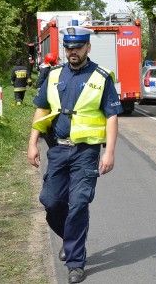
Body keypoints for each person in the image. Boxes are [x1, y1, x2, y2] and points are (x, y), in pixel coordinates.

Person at [27, 24, 123, 284]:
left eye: (78, 47)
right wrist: (32, 142)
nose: (73, 52)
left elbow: (112, 116)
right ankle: (70, 239)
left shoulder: (101, 77)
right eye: (68, 47)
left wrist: (109, 152)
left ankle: (75, 262)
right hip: (57, 149)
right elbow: (41, 109)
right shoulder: (54, 75)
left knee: (79, 204)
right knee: (51, 202)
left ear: (87, 48)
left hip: (86, 152)